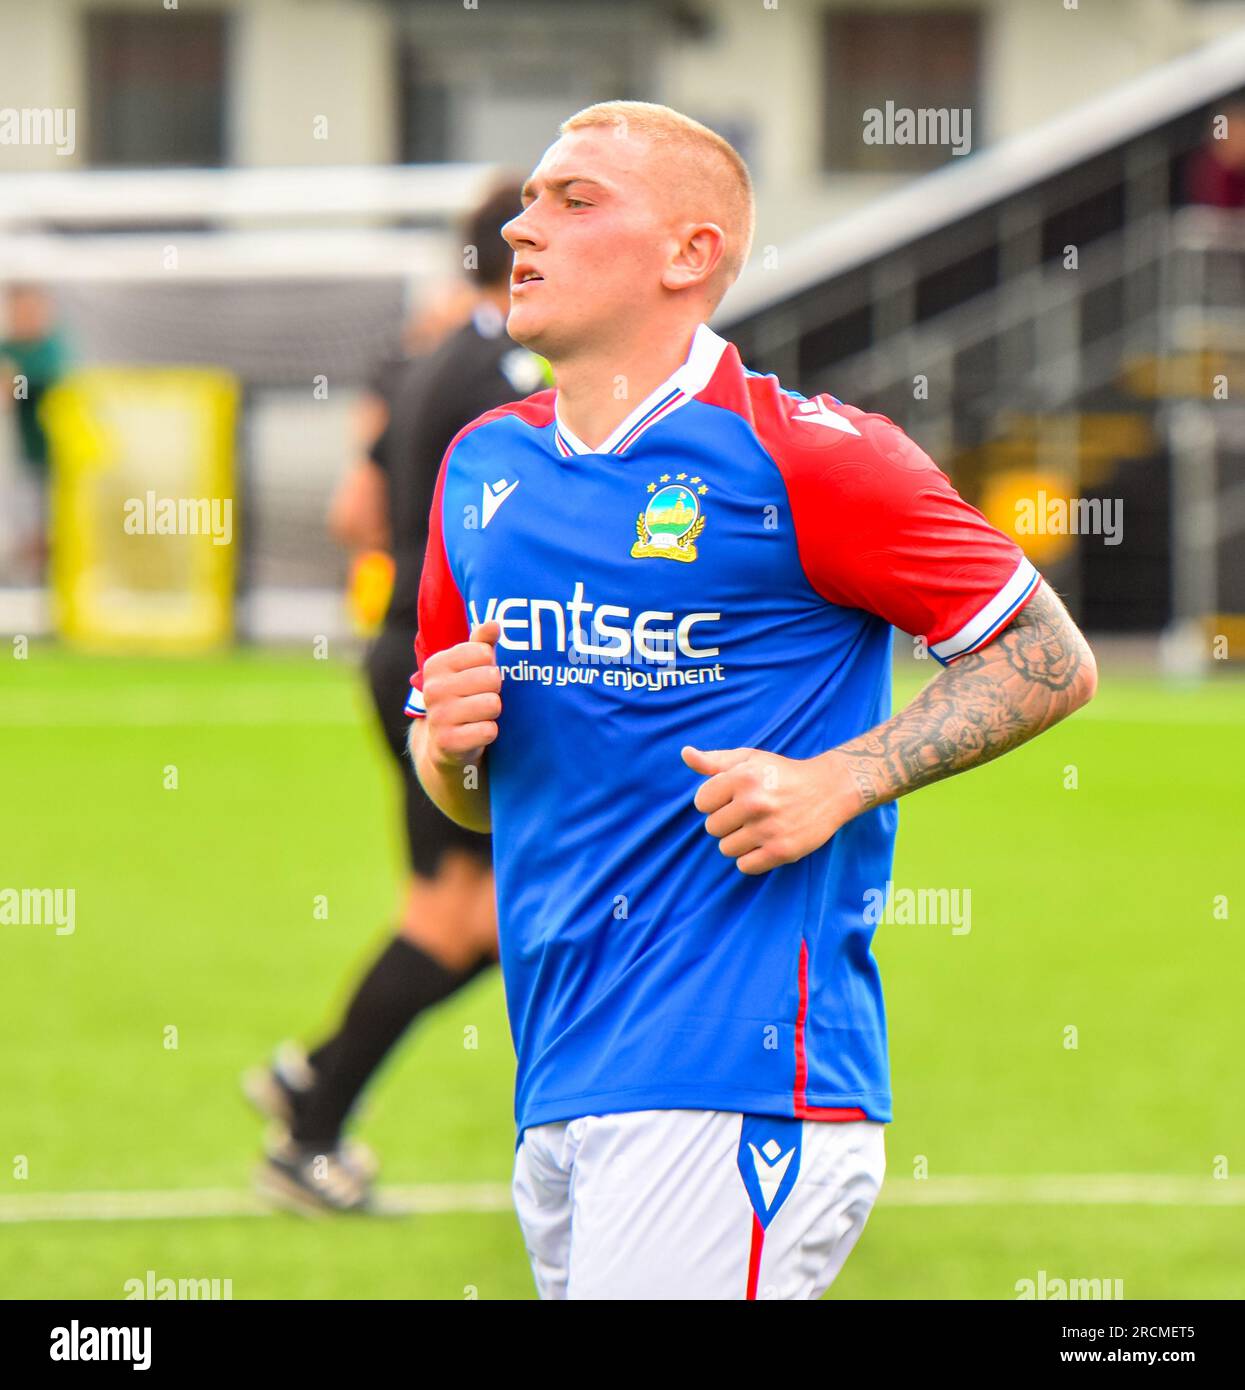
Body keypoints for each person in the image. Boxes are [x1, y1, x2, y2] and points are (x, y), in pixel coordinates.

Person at [406, 101, 1098, 1300]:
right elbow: (469, 801)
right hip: (560, 1068)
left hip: (742, 1075)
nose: (526, 226)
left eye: (576, 201)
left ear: (690, 254)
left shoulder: (817, 457)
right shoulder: (482, 467)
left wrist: (846, 776)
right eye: (529, 200)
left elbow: (1048, 656)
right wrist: (453, 753)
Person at [244, 182, 548, 1213]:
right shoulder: (507, 367)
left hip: (417, 650)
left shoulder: (427, 356)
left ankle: (314, 1079)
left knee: (504, 919)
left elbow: (357, 511)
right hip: (450, 665)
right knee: (463, 917)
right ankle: (310, 1127)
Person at [0, 284, 67, 583]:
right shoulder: (8, 349)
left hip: (62, 457)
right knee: (27, 527)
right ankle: (31, 584)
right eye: (19, 309)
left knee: (54, 528)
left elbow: (23, 384)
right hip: (24, 458)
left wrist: (14, 381)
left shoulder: (52, 349)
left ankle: (49, 583)